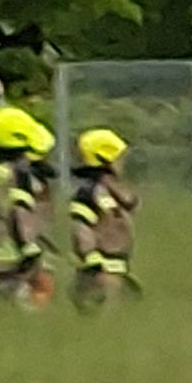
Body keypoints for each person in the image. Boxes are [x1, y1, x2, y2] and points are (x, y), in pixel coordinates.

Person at [0, 106, 57, 307]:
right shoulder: (17, 175)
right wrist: (30, 248)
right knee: (34, 297)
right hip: (14, 249)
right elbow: (19, 213)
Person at [66, 128, 141, 307]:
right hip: (101, 271)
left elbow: (131, 202)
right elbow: (81, 229)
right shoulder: (89, 192)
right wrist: (93, 263)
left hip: (117, 269)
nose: (122, 163)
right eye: (119, 158)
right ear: (104, 159)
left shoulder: (110, 191)